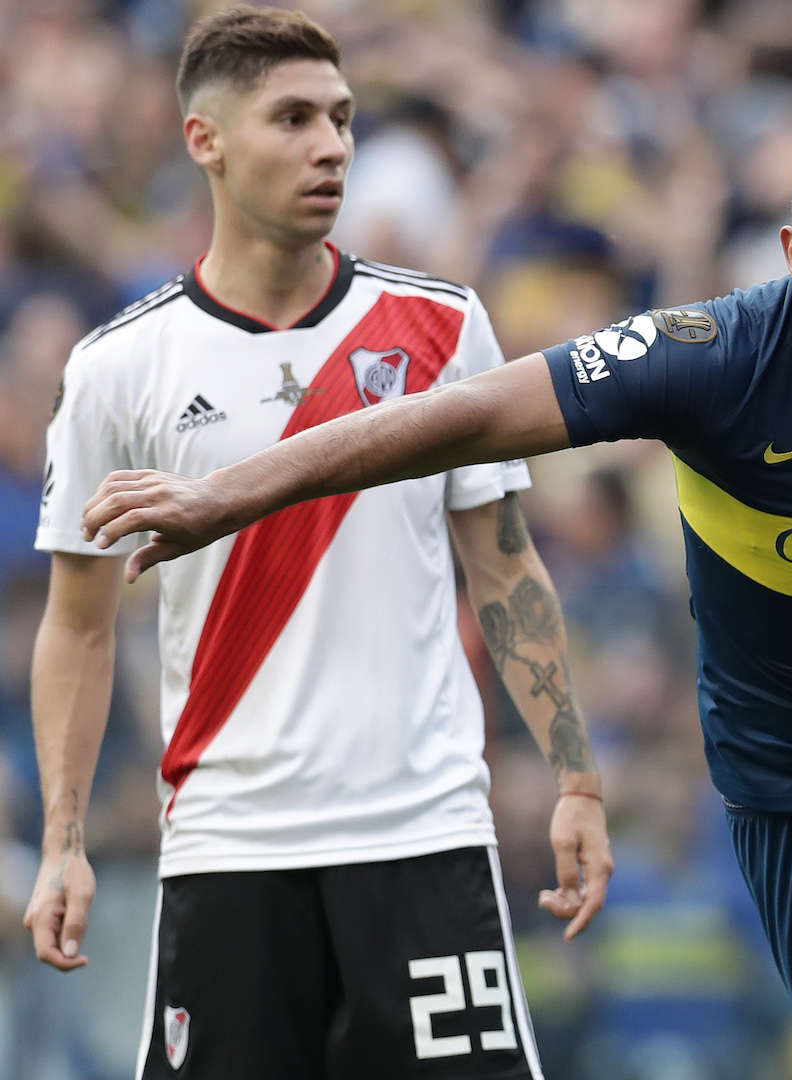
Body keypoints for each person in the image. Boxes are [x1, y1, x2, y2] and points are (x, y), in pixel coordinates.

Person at [74, 121, 792, 1080]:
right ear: (791, 252)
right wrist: (228, 494)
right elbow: (466, 414)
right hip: (788, 793)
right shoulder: (714, 354)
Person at [24, 9, 612, 1078]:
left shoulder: (441, 327)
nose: (331, 145)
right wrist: (63, 845)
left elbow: (506, 565)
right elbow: (78, 625)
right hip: (229, 848)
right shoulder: (120, 365)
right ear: (204, 141)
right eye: (292, 118)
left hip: (422, 833)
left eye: (341, 118)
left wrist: (575, 776)